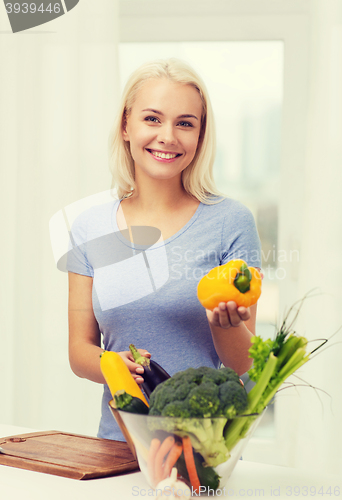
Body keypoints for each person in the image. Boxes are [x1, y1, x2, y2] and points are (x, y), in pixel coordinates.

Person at [67, 58, 262, 441]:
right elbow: (78, 350)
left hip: (204, 449)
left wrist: (225, 324)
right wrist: (112, 364)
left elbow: (241, 364)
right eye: (152, 119)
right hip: (117, 445)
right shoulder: (90, 227)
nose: (168, 136)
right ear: (126, 125)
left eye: (185, 123)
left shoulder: (231, 222)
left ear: (201, 135)